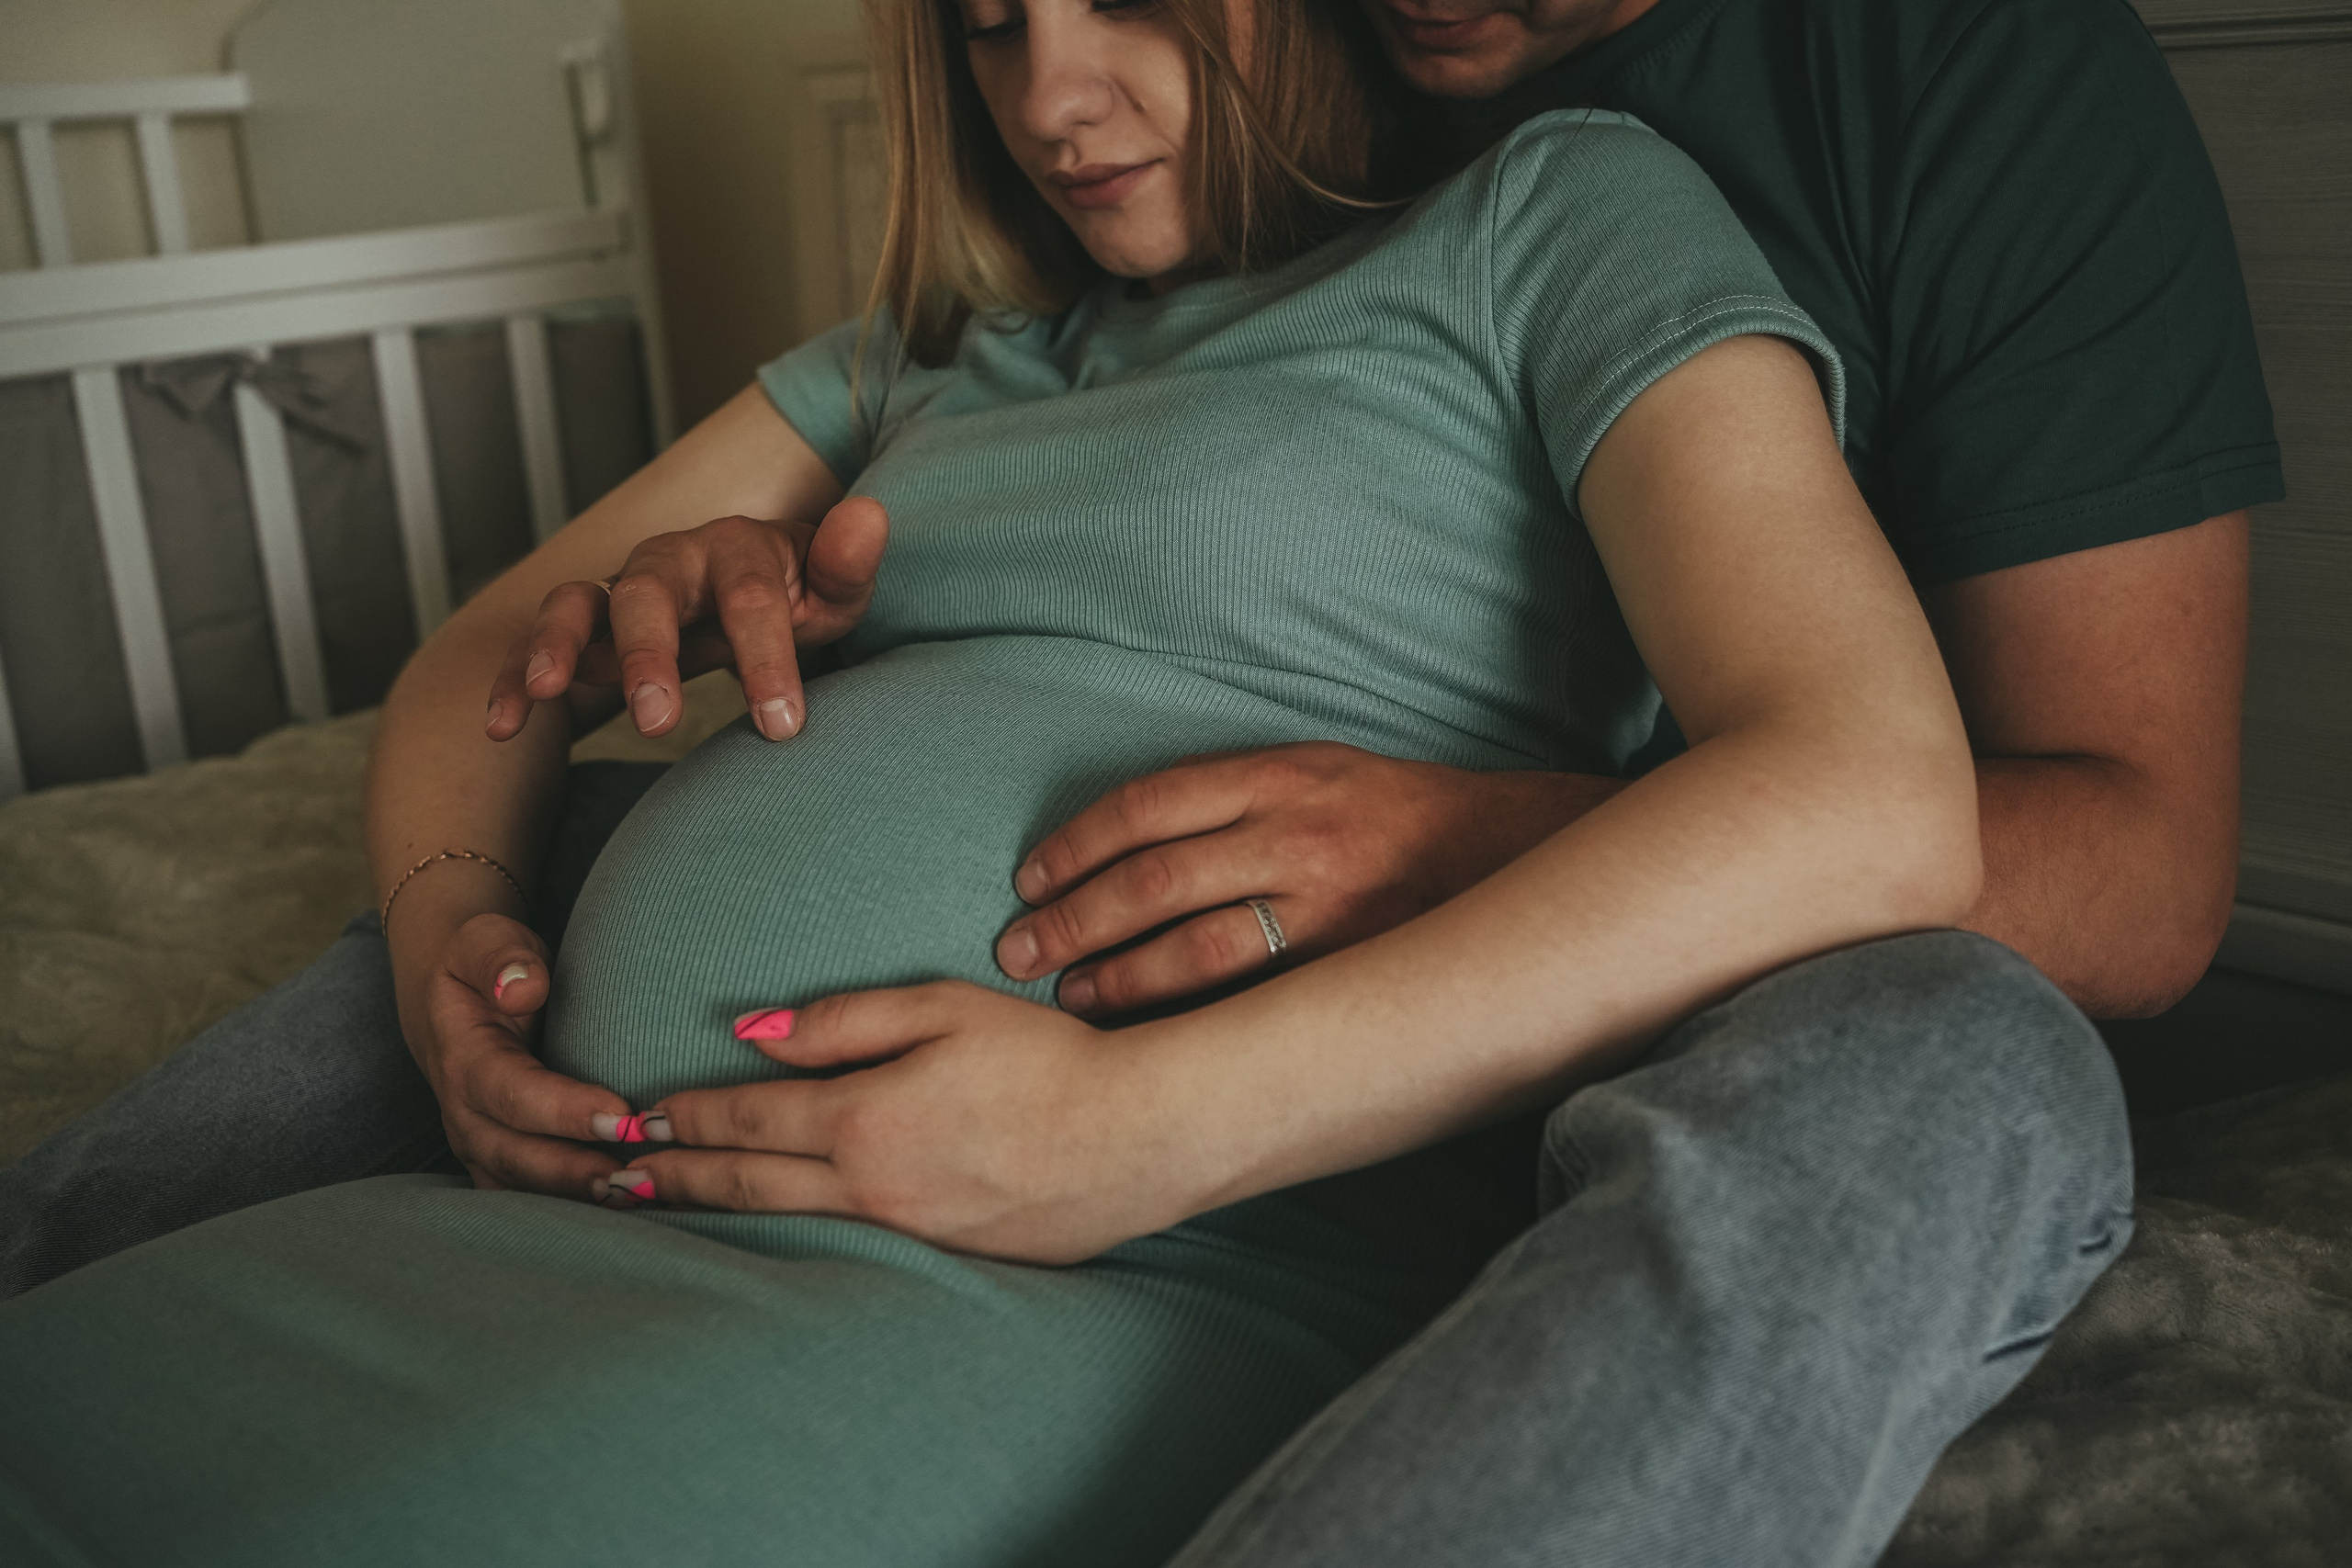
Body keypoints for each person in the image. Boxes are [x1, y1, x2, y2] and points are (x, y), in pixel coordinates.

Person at [0, 0, 2116, 1561]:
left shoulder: (1555, 224)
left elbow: (1866, 784)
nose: (1050, 102)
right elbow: (493, 651)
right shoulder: (924, 353)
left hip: (1093, 1265)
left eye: (1123, 8)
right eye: (992, 28)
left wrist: (1126, 1126)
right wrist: (459, 929)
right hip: (535, 1212)